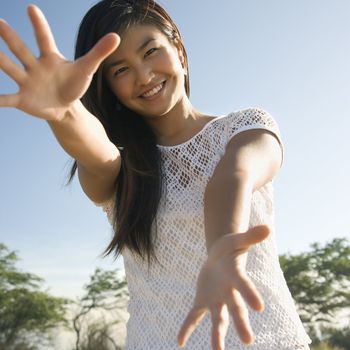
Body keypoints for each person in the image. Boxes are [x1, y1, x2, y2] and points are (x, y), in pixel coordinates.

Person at [0, 1, 312, 349]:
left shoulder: (245, 128)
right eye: (120, 70)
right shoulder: (125, 167)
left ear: (177, 47)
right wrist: (63, 112)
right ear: (108, 87)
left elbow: (233, 174)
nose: (144, 75)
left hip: (266, 338)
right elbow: (98, 156)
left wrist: (221, 249)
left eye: (151, 51)